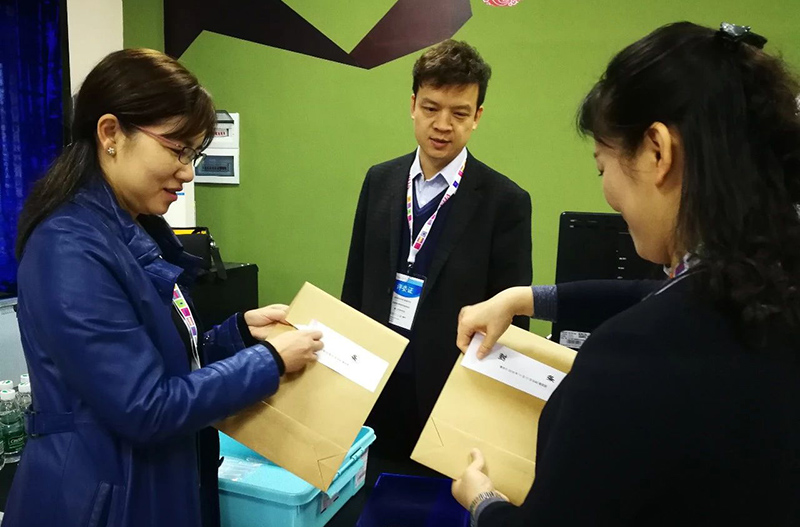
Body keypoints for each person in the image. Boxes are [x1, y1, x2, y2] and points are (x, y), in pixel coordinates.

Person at [452, 22, 800, 526]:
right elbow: (657, 295)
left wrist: (482, 501)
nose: (607, 194)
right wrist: (523, 298)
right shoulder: (767, 285)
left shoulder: (632, 357)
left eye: (602, 167)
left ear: (657, 151)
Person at [4, 49, 323, 527]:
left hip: (148, 483)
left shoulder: (135, 231)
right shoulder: (67, 248)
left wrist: (238, 334)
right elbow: (145, 407)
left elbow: (161, 360)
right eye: (177, 150)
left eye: (193, 154)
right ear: (110, 133)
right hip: (99, 500)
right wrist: (270, 362)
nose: (188, 172)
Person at [342, 40, 532, 458]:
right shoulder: (379, 181)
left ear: (477, 116)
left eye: (459, 113)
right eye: (431, 108)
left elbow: (513, 320)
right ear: (413, 105)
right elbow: (354, 284)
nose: (442, 125)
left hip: (449, 397)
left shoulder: (506, 202)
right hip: (375, 385)